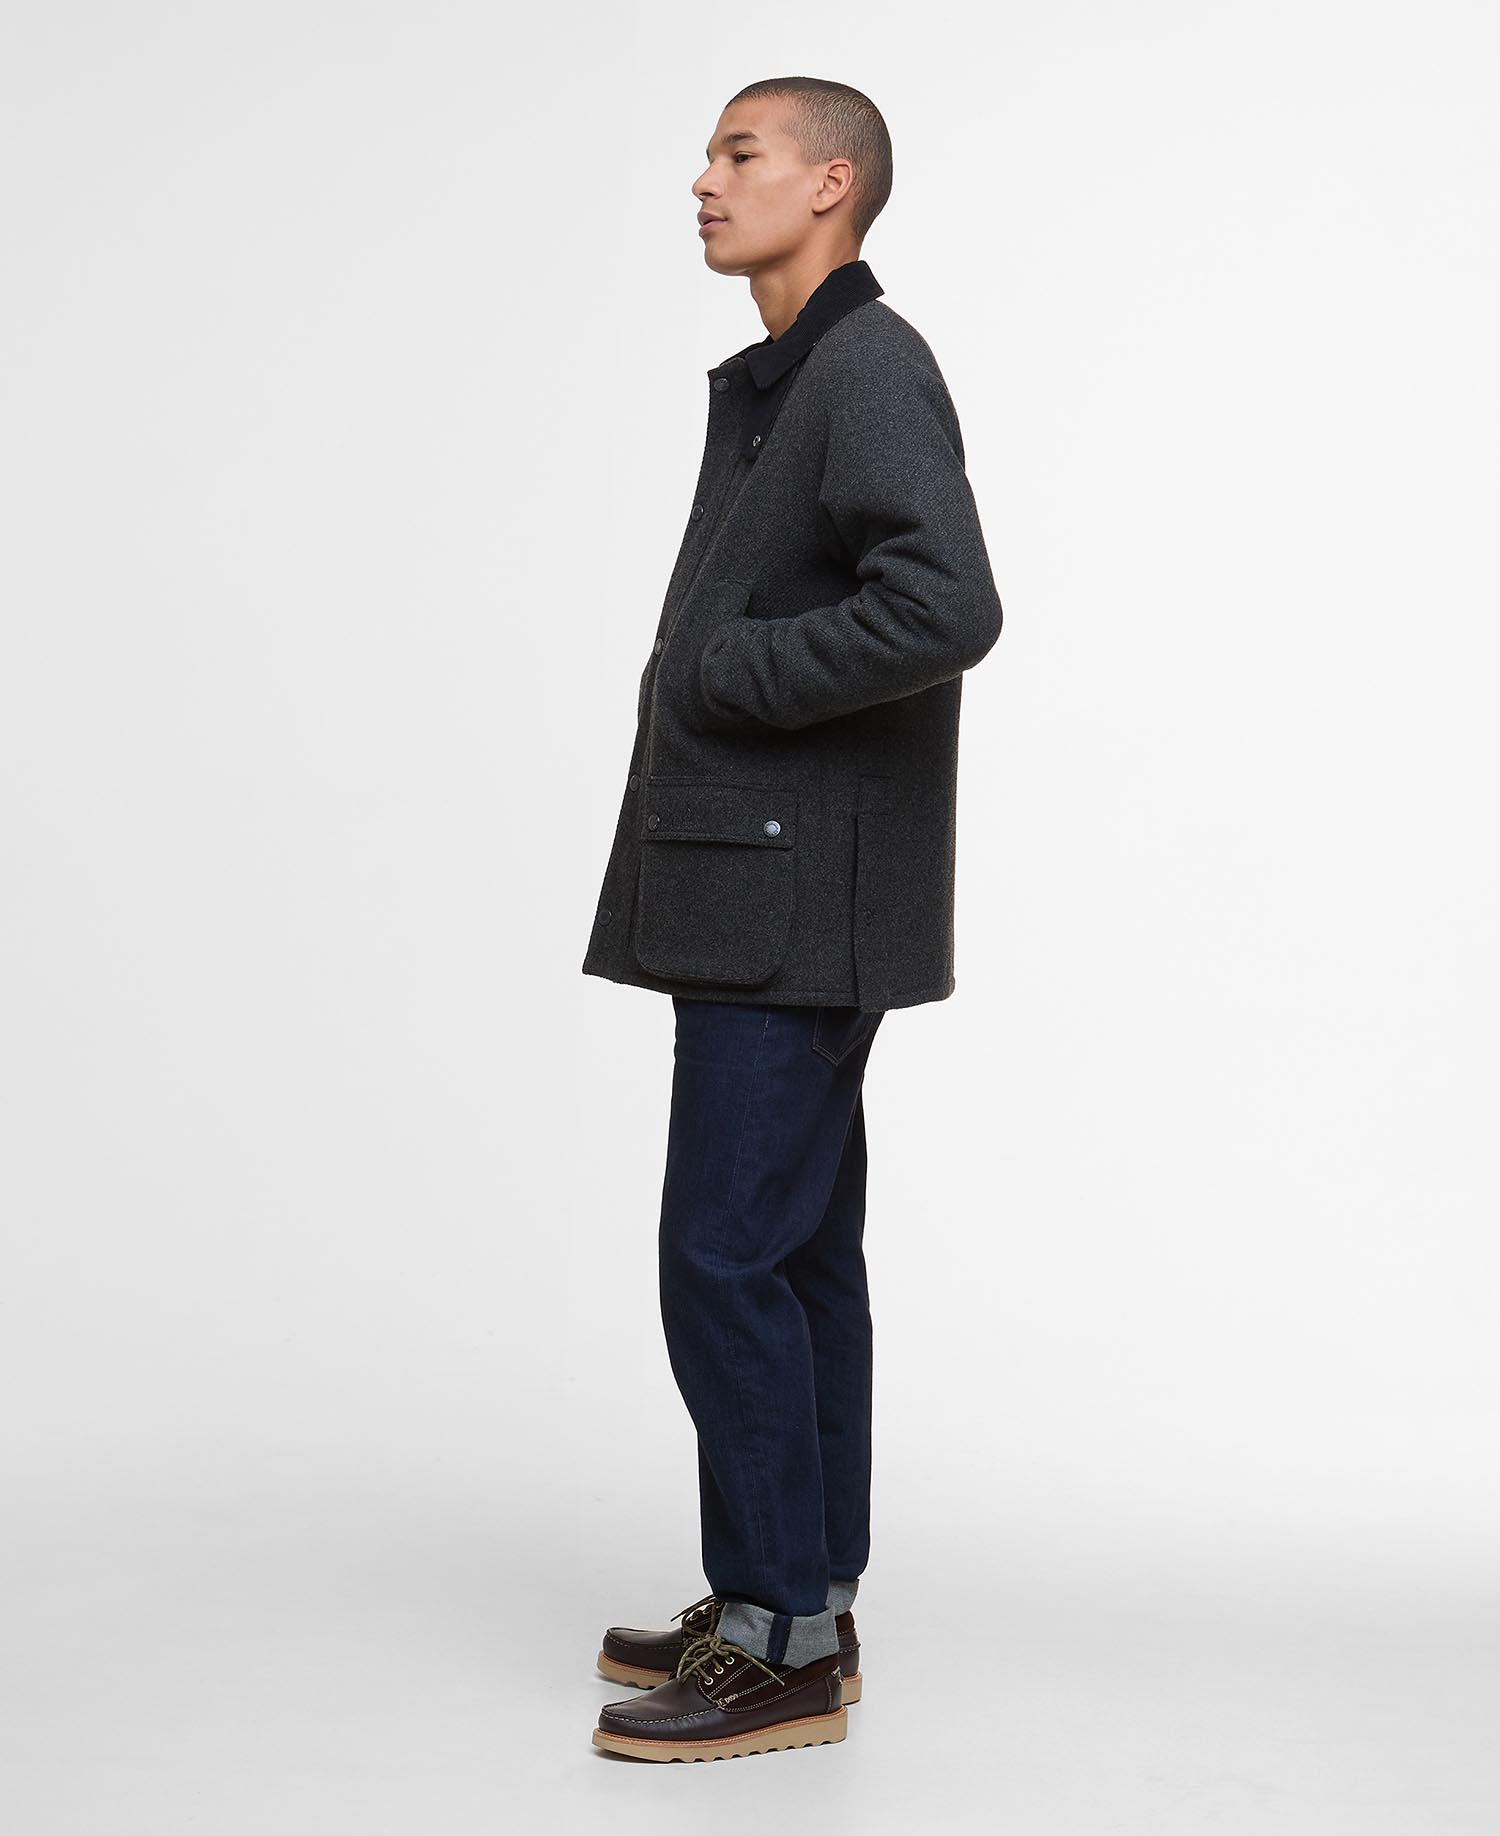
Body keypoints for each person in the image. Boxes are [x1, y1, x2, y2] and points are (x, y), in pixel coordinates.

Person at [581, 75, 1003, 1763]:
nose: (703, 179)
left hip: (792, 896)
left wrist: (724, 671)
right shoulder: (791, 378)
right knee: (801, 1254)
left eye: (738, 153)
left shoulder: (864, 366)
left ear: (831, 183)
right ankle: (801, 1605)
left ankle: (774, 1642)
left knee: (724, 1253)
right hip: (776, 884)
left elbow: (946, 601)